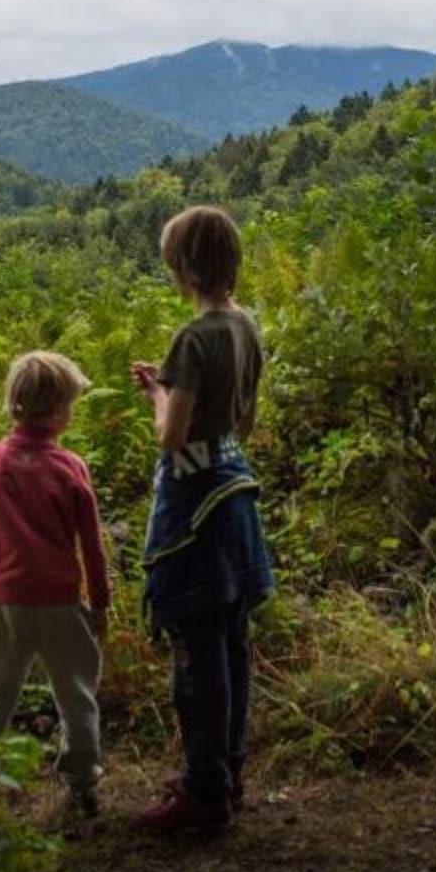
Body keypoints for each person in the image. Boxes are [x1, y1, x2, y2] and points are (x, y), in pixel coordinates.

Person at [131, 204, 276, 833]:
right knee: (232, 641)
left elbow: (172, 436)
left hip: (193, 504)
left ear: (184, 268)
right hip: (235, 491)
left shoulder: (192, 340)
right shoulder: (246, 327)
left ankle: (203, 791)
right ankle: (225, 772)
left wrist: (158, 394)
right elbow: (243, 421)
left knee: (196, 647)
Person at [0, 350, 112, 817]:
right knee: (77, 696)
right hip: (62, 604)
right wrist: (100, 604)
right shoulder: (70, 467)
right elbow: (92, 547)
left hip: (3, 603)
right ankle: (82, 784)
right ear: (58, 410)